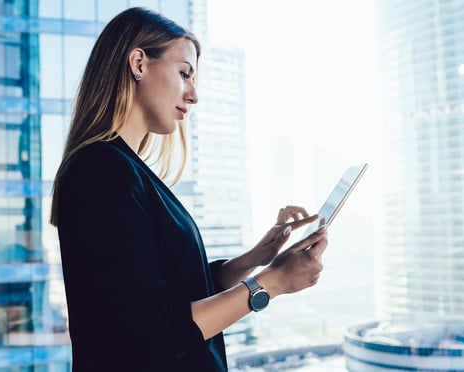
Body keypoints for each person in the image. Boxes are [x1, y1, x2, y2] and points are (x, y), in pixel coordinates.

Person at [50, 6, 328, 372]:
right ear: (138, 63)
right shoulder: (102, 171)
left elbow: (172, 292)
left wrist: (257, 257)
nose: (194, 95)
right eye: (184, 74)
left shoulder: (123, 169)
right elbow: (153, 331)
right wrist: (272, 282)